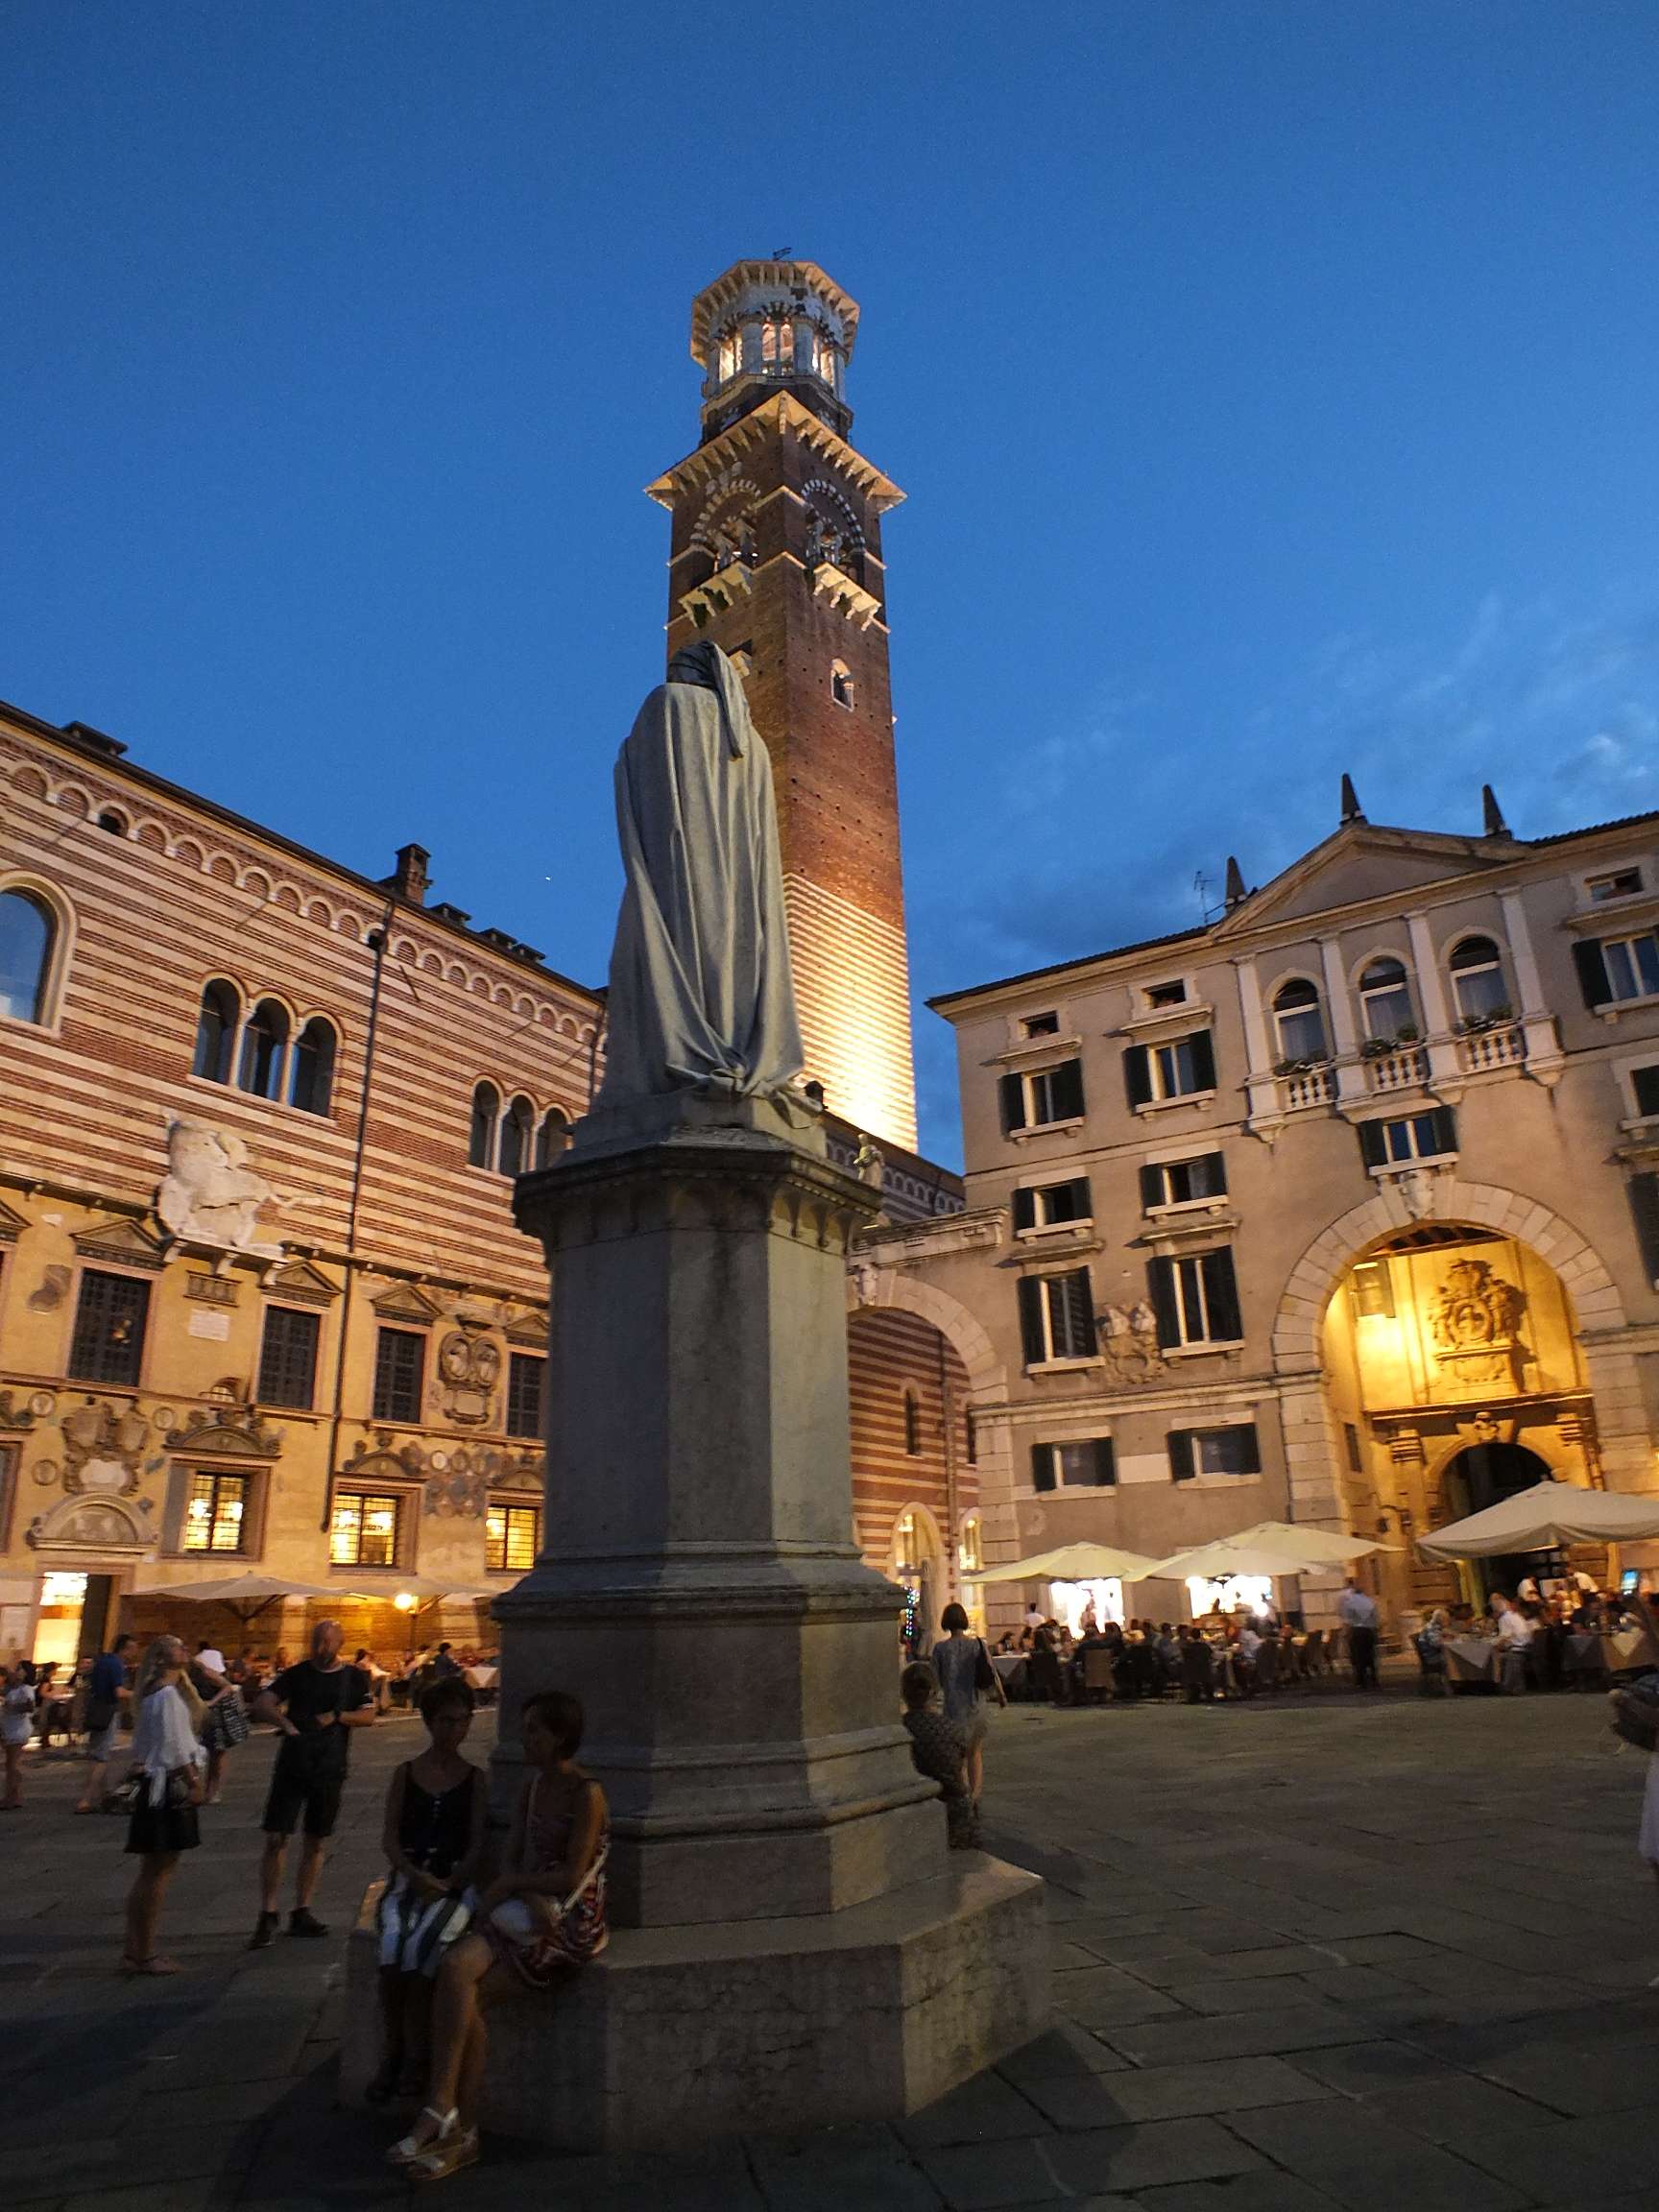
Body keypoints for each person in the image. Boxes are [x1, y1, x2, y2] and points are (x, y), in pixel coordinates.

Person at [388, 1690, 608, 2183]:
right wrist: (517, 1887)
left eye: (534, 1730)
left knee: (469, 2000)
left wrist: (515, 1887)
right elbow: (509, 1857)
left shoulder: (586, 1793)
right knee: (453, 1967)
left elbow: (573, 1875)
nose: (525, 1738)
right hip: (523, 1908)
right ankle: (442, 2107)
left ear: (560, 1736)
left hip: (564, 1924)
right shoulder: (531, 1788)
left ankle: (460, 2130)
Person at [370, 1676, 487, 2104]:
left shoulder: (476, 1780)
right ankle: (393, 2050)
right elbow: (389, 1837)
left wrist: (452, 1882)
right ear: (429, 1722)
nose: (456, 1729)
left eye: (463, 1721)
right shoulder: (406, 1774)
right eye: (447, 1720)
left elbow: (476, 1843)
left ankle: (414, 2055)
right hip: (409, 1880)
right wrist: (413, 1875)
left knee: (424, 1953)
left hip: (452, 1884)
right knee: (391, 1953)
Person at [248, 1621, 374, 1948]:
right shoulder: (298, 1673)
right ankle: (268, 1910)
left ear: (340, 1643)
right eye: (317, 1641)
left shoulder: (353, 1678)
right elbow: (263, 1703)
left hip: (330, 1766)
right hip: (293, 1763)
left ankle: (302, 1908)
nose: (321, 1647)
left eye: (327, 1642)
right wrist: (286, 1724)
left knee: (316, 1839)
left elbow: (369, 1715)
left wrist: (338, 1717)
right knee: (276, 1836)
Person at [120, 1635, 206, 1975]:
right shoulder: (168, 1695)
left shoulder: (151, 1693)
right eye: (176, 1645)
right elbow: (175, 1748)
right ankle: (146, 1953)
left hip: (152, 1786)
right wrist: (195, 1782)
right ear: (159, 1656)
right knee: (159, 1874)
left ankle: (134, 1949)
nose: (185, 1648)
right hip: (169, 1788)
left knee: (148, 1873)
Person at [930, 1601, 1006, 1805]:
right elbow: (991, 1671)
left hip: (954, 1707)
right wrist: (1001, 1696)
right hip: (977, 1705)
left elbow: (934, 1681)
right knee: (975, 1752)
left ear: (945, 1622)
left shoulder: (940, 1649)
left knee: (958, 1757)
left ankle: (962, 1795)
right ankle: (975, 1796)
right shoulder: (977, 1644)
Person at [900, 1662, 979, 1849]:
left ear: (904, 1693)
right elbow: (963, 1769)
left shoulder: (899, 1730)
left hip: (913, 1810)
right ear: (934, 1692)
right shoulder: (951, 1729)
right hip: (954, 1809)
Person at [77, 1632, 135, 1813]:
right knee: (100, 1757)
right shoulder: (116, 1665)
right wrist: (137, 1694)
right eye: (133, 1648)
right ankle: (86, 1800)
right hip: (108, 1711)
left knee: (99, 1752)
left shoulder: (102, 1661)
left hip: (95, 1710)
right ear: (125, 1649)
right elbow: (118, 1692)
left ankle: (104, 1794)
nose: (134, 1652)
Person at [2, 1661, 37, 1808]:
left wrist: (13, 1707)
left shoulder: (26, 1689)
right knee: (11, 1763)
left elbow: (30, 1706)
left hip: (18, 1729)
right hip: (10, 1727)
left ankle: (10, 1796)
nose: (15, 1671)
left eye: (18, 1669)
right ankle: (14, 1795)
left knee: (12, 1765)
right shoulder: (12, 1688)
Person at [1337, 1579, 1381, 1690]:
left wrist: (1345, 1633)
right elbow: (1375, 1618)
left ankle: (1360, 1678)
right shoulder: (1370, 1601)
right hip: (1368, 1631)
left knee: (1357, 1655)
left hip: (1356, 1631)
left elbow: (1347, 1619)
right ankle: (1373, 1677)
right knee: (1370, 1655)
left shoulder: (1349, 1602)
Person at [1491, 1594, 1534, 1694]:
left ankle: (1504, 1686)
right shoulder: (1516, 1616)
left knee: (1493, 1657)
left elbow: (1504, 1639)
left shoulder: (1504, 1618)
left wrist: (1494, 1646)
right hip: (1526, 1648)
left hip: (1516, 1650)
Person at [1413, 1608, 1450, 1696]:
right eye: (1446, 1619)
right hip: (1431, 1657)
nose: (1447, 1622)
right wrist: (1446, 1638)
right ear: (1440, 1618)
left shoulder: (1435, 1627)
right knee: (1452, 1661)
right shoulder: (1431, 1628)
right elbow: (1436, 1643)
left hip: (1432, 1654)